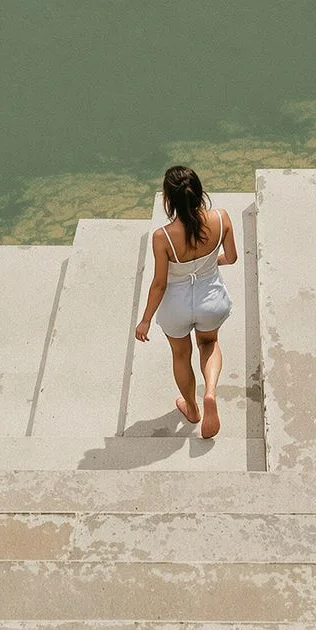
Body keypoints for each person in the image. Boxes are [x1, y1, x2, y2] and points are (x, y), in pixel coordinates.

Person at [134, 166, 236, 439]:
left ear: (169, 200)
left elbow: (160, 283)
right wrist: (210, 265)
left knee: (181, 355)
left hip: (176, 307)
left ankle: (192, 408)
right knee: (209, 343)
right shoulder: (221, 218)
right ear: (200, 192)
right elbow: (232, 257)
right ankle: (210, 392)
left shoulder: (162, 237)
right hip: (211, 300)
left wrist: (145, 319)